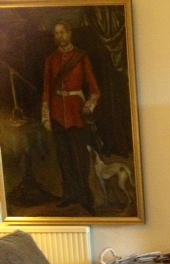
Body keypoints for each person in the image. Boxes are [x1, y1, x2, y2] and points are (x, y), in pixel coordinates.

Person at [42, 20, 101, 214]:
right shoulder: (51, 60)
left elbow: (95, 91)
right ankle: (69, 196)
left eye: (62, 33)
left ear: (70, 34)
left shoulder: (81, 57)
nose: (59, 37)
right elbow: (46, 91)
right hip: (58, 114)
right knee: (64, 159)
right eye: (56, 34)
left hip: (77, 115)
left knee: (80, 159)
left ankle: (85, 197)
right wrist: (46, 117)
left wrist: (88, 106)